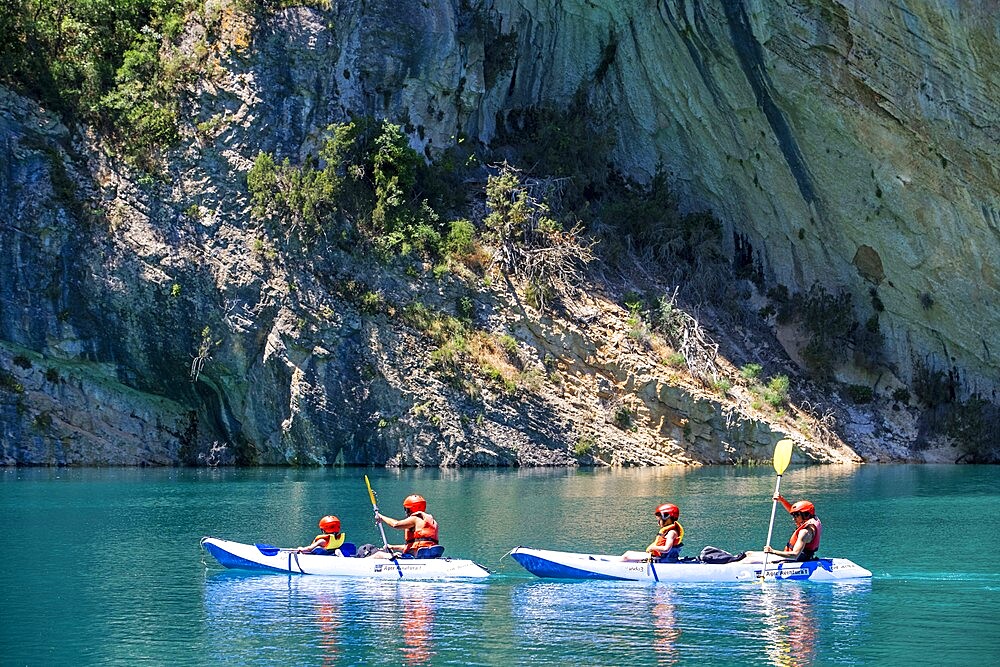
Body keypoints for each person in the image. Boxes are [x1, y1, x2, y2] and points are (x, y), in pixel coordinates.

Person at [371, 494, 440, 558]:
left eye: (406, 509)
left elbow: (396, 524)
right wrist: (392, 547)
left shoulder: (415, 519)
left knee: (378, 554)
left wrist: (381, 517)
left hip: (414, 557)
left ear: (412, 508)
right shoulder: (432, 522)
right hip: (427, 556)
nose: (406, 512)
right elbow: (413, 546)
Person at [763, 495, 821, 561]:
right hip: (789, 555)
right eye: (793, 515)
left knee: (750, 560)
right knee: (749, 554)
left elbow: (795, 555)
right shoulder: (813, 519)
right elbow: (796, 511)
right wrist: (782, 500)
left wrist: (773, 551)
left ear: (805, 515)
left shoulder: (805, 533)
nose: (793, 519)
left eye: (796, 516)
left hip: (792, 559)